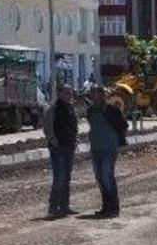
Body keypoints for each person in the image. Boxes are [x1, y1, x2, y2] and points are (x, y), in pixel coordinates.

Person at [85, 85, 127, 218]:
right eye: (93, 94)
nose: (95, 97)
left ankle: (113, 207)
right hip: (96, 148)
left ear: (103, 95)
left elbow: (123, 126)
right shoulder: (91, 110)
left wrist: (117, 139)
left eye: (97, 94)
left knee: (107, 176)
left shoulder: (112, 110)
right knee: (99, 178)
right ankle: (105, 206)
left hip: (109, 148)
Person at [43, 83, 79, 217]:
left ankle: (64, 206)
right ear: (60, 94)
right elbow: (47, 127)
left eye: (70, 93)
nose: (69, 95)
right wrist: (54, 142)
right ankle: (53, 207)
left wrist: (75, 140)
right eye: (66, 93)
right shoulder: (53, 109)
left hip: (69, 147)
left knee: (67, 177)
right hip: (58, 148)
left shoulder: (71, 108)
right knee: (59, 177)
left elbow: (75, 125)